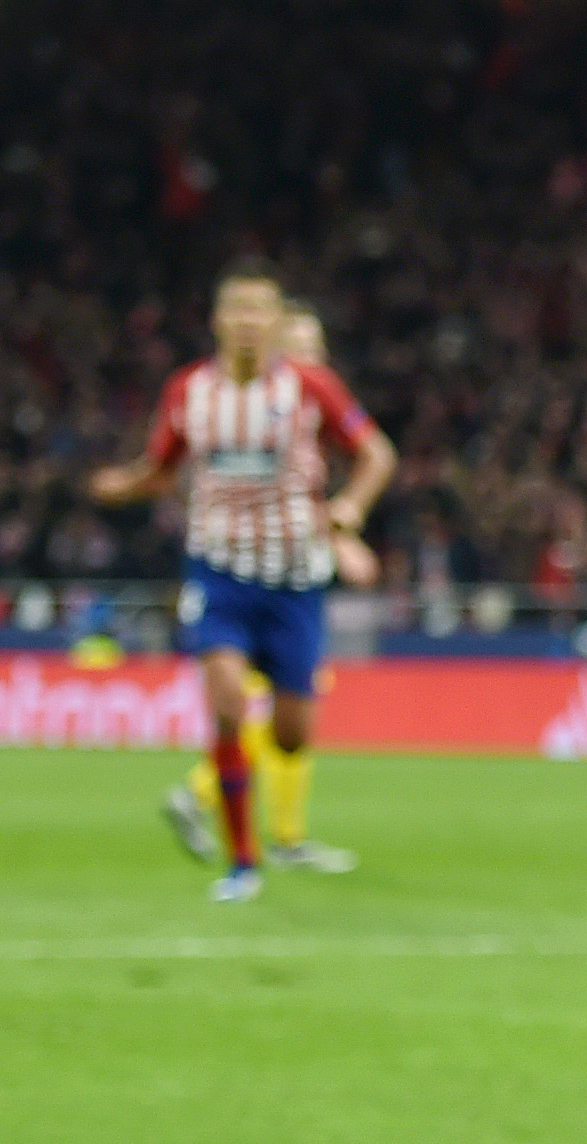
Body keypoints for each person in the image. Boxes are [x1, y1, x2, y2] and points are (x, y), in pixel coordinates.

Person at [92, 263, 395, 901]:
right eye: (237, 310)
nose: (248, 322)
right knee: (227, 705)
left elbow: (377, 454)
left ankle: (258, 833)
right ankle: (244, 863)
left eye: (261, 310)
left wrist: (351, 511)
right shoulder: (188, 392)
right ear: (217, 321)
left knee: (292, 735)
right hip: (219, 572)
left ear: (278, 322)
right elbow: (163, 467)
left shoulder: (312, 388)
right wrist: (122, 485)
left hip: (293, 579)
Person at [164, 297, 375, 876]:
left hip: (296, 576)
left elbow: (308, 495)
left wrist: (342, 529)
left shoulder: (309, 415)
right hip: (241, 577)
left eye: (319, 351)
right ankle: (225, 807)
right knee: (247, 706)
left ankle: (275, 829)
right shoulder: (249, 408)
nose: (314, 363)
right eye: (302, 348)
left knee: (289, 720)